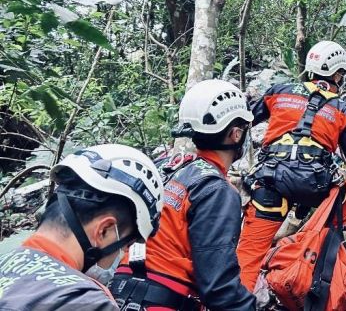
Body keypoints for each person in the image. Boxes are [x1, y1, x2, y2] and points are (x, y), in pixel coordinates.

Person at [237, 40, 346, 290]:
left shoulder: (279, 91)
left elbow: (246, 118)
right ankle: (321, 240)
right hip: (313, 185)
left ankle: (239, 297)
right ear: (337, 75)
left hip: (270, 183)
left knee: (248, 258)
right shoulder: (342, 109)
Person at [109, 79, 258, 310]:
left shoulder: (165, 168)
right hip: (165, 299)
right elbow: (219, 288)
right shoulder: (216, 190)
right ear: (236, 134)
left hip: (120, 292)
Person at [0, 145, 164, 310]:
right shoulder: (84, 301)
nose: (122, 256)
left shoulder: (4, 264)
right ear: (104, 230)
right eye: (126, 246)